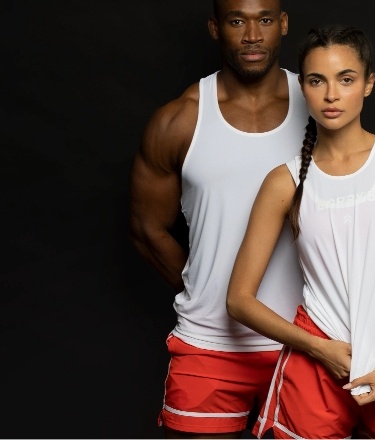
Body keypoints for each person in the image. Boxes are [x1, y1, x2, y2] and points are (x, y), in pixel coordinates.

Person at [226, 25, 375, 439]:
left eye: (346, 79)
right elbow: (239, 300)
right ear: (303, 87)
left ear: (368, 84)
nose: (331, 94)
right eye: (317, 81)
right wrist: (319, 349)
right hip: (316, 363)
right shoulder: (283, 183)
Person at [128, 0, 309, 437]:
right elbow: (148, 230)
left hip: (306, 346)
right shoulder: (180, 118)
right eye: (236, 21)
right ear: (215, 28)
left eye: (264, 20)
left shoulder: (322, 107)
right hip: (208, 346)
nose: (252, 35)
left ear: (282, 24)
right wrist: (205, 288)